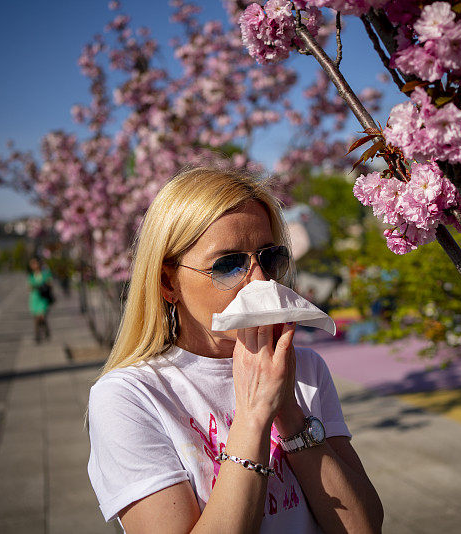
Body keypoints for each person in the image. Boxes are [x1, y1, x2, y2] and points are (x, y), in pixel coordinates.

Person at [87, 167, 384, 534]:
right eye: (228, 264)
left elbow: (363, 527)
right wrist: (256, 414)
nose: (259, 279)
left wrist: (289, 412)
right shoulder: (129, 397)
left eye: (270, 257)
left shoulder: (305, 368)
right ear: (168, 282)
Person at [27, 257, 53, 343]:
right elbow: (29, 287)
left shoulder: (45, 273)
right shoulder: (31, 276)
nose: (33, 265)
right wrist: (33, 287)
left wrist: (45, 285)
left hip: (43, 298)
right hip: (35, 298)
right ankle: (39, 334)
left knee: (41, 316)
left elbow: (50, 283)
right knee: (37, 317)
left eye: (34, 263)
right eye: (32, 264)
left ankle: (41, 333)